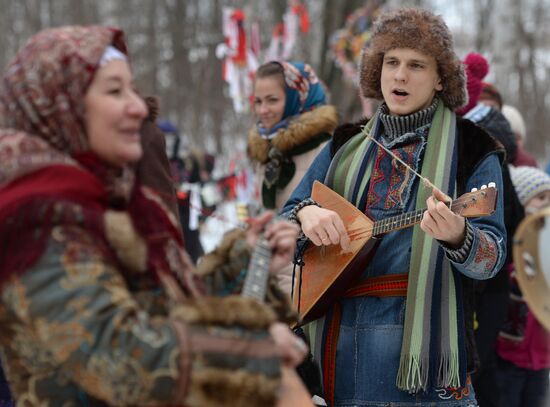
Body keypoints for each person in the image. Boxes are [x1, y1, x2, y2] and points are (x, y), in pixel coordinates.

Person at [0, 26, 306, 406]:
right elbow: (114, 350)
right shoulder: (37, 218)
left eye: (131, 89)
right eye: (115, 91)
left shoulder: (110, 201)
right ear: (62, 105)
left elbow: (159, 316)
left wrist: (242, 262)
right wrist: (248, 351)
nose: (139, 106)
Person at [282, 8, 506, 406]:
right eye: (391, 62)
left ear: (441, 78)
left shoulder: (474, 148)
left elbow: (491, 260)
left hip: (424, 368)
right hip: (337, 353)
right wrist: (306, 214)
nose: (400, 75)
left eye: (416, 65)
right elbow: (286, 221)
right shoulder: (343, 144)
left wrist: (459, 235)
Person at [456, 53, 524, 407]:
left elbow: (510, 221)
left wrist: (468, 236)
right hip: (456, 290)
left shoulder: (483, 150)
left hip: (487, 285)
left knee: (480, 376)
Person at [248, 61, 338, 211]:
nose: (263, 110)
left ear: (297, 98)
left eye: (272, 100)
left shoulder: (326, 150)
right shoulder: (265, 150)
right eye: (258, 101)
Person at [496, 166, 550, 407]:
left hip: (541, 358)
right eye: (540, 198)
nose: (546, 204)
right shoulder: (509, 245)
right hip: (508, 356)